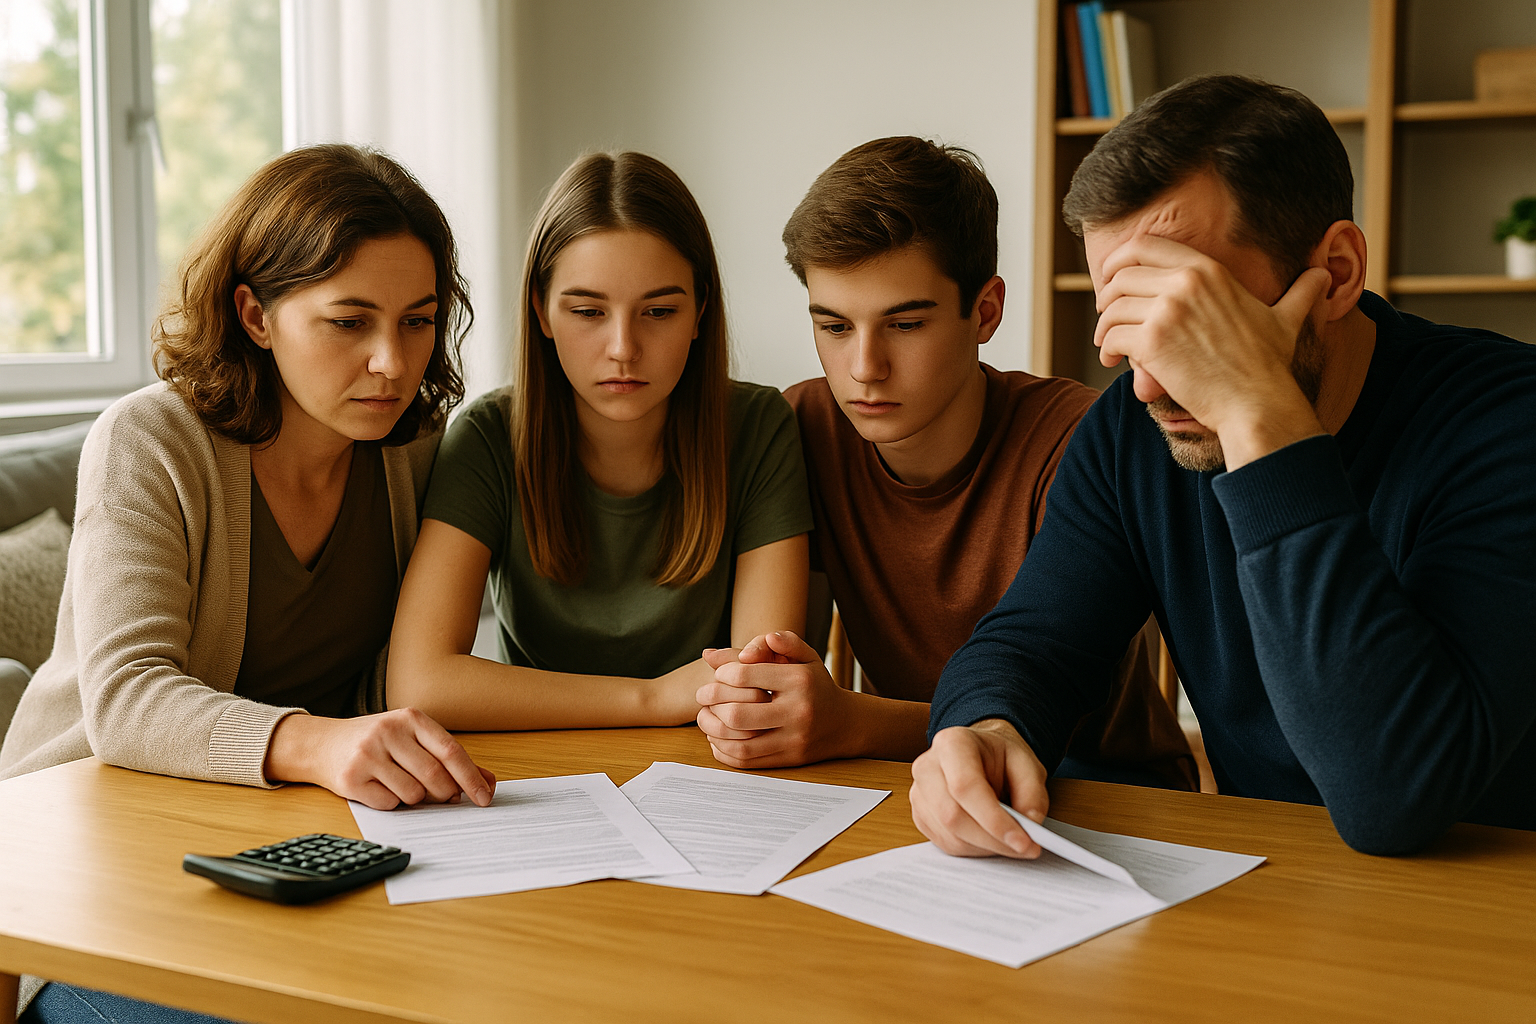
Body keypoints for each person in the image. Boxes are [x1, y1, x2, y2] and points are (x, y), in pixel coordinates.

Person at [911, 75, 1536, 859]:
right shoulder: (1131, 432)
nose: (1147, 381)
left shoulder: (1511, 423)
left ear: (1337, 272)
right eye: (1130, 317)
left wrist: (1257, 416)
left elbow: (1395, 797)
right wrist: (986, 729)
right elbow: (1033, 643)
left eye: (1193, 312)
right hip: (1268, 885)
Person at [1, 145, 495, 1022]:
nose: (392, 361)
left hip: (295, 859)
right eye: (350, 322)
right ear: (256, 316)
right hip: (96, 875)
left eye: (417, 321)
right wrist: (322, 745)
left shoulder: (414, 451)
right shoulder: (149, 442)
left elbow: (407, 673)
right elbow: (128, 701)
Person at [693, 136, 1194, 789]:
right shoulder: (805, 427)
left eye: (904, 325)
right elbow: (789, 669)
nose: (864, 369)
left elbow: (1063, 717)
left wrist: (855, 723)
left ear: (984, 312)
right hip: (901, 783)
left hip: (1098, 789)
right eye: (835, 327)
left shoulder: (1076, 438)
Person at [385, 152, 811, 729]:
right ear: (540, 311)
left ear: (700, 311)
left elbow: (760, 683)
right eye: (587, 311)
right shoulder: (488, 438)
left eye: (658, 311)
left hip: (712, 767)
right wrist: (654, 699)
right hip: (542, 775)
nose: (623, 348)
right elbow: (418, 683)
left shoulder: (760, 426)